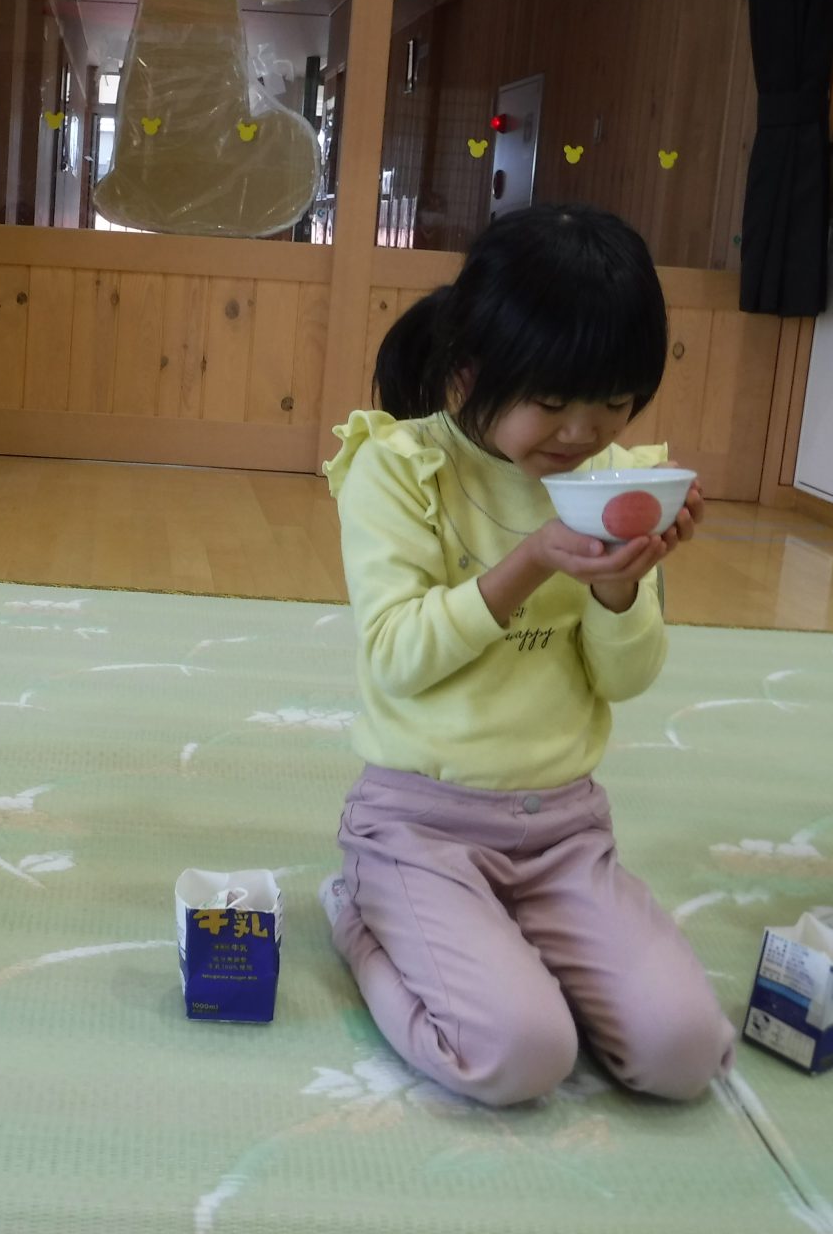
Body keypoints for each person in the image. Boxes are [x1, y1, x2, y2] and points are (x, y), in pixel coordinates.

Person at [321, 203, 732, 1106]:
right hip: (420, 825)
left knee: (684, 1052)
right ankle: (359, 913)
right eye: (551, 402)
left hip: (564, 832)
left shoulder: (617, 480)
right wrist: (531, 562)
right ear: (469, 371)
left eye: (613, 403)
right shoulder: (398, 466)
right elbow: (395, 657)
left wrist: (621, 587)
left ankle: (509, 946)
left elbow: (624, 679)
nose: (583, 433)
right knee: (522, 1054)